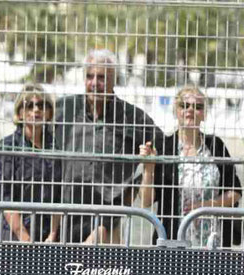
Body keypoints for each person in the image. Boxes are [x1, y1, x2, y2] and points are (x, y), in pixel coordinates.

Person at [54, 49, 165, 244]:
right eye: (89, 76)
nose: (94, 83)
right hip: (65, 212)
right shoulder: (65, 109)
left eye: (101, 77)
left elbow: (164, 148)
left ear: (114, 80)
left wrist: (136, 185)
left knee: (97, 271)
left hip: (107, 218)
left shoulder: (132, 117)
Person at [139, 85, 242, 248]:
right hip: (173, 240)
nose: (190, 110)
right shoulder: (164, 147)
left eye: (198, 106)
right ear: (176, 111)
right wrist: (149, 168)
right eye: (184, 105)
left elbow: (235, 192)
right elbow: (146, 201)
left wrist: (204, 208)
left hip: (213, 242)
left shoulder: (216, 145)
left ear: (204, 114)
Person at [0, 84, 62, 242]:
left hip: (48, 236)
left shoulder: (57, 149)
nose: (36, 110)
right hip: (12, 235)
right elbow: (5, 197)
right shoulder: (6, 148)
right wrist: (24, 237)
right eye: (29, 105)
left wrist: (52, 235)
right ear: (20, 113)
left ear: (49, 113)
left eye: (42, 105)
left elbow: (59, 196)